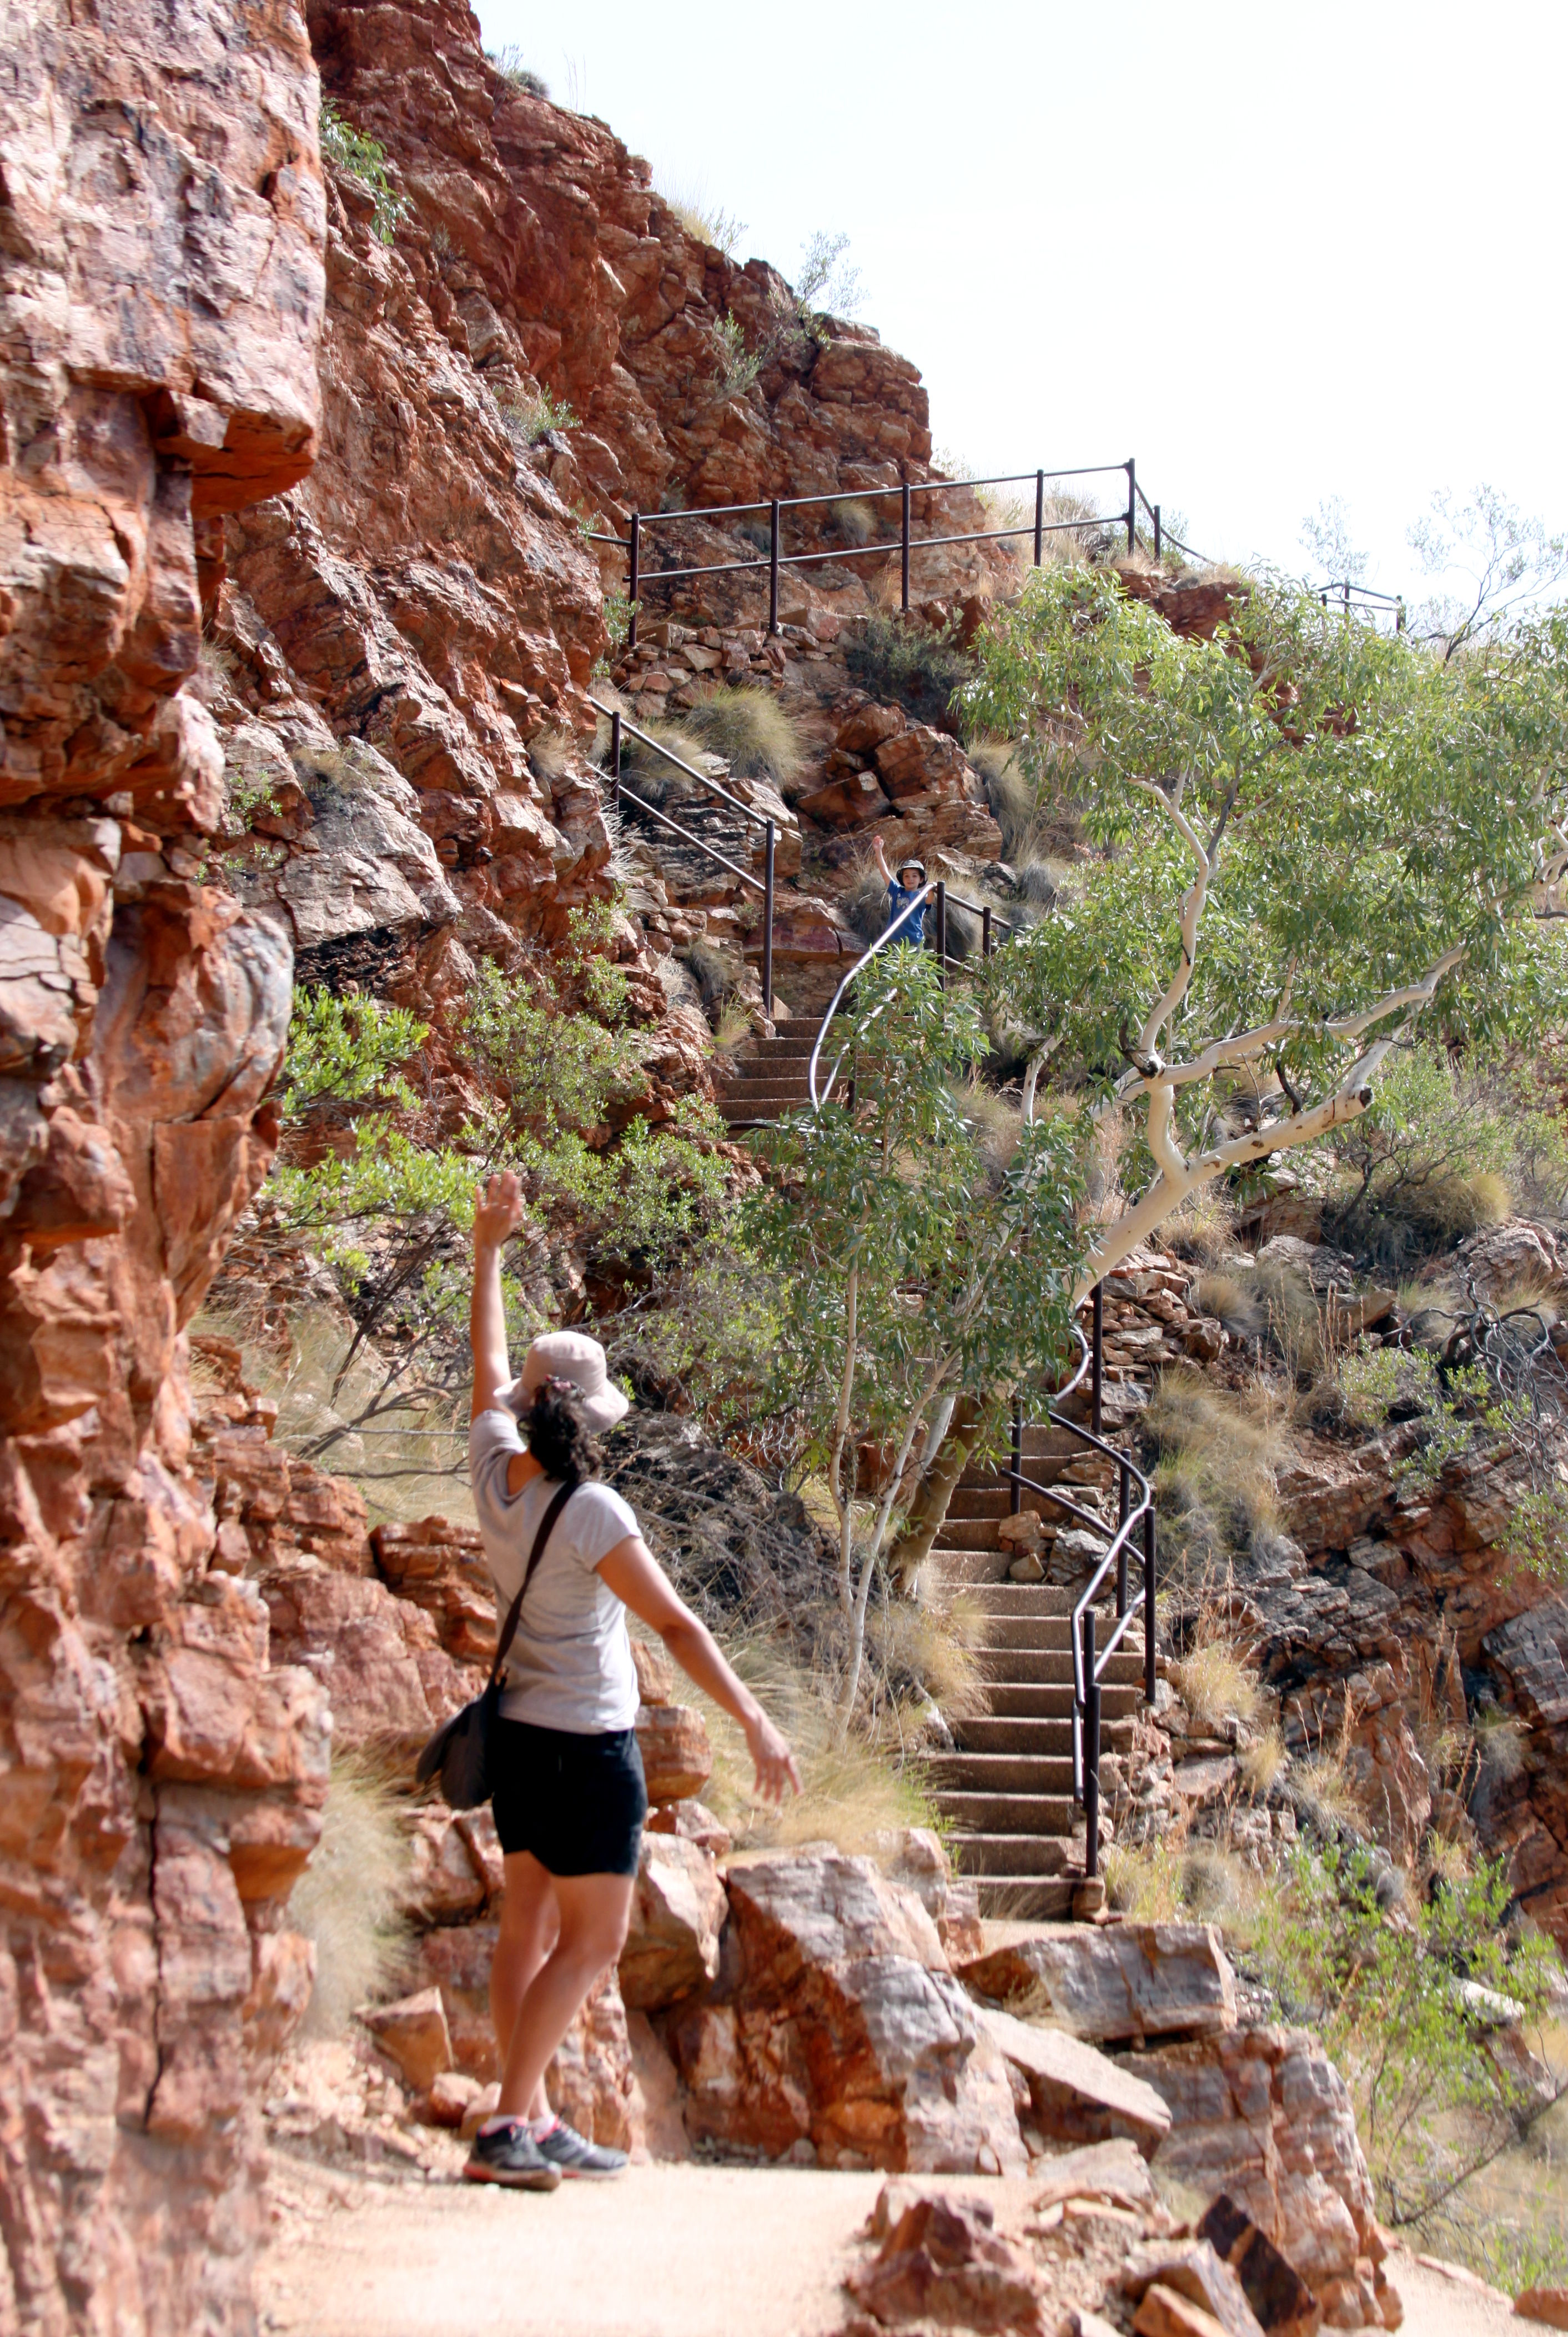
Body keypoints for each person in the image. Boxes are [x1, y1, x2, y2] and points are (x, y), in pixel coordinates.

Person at [461, 1170, 801, 2192]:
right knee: (594, 1938)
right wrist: (752, 1720)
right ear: (592, 1413)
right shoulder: (596, 1510)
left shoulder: (490, 1458)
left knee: (525, 1926)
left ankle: (536, 2111)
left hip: (517, 1734)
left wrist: (487, 1249)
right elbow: (677, 1623)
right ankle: (507, 2123)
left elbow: (483, 1364)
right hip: (589, 1745)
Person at [871, 834, 929, 946]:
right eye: (906, 876)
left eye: (914, 876)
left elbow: (929, 900)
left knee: (911, 965)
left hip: (914, 941)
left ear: (921, 879)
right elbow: (884, 872)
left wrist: (930, 889)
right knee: (895, 964)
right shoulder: (897, 891)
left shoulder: (921, 896)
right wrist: (878, 851)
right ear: (902, 879)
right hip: (895, 939)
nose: (910, 879)